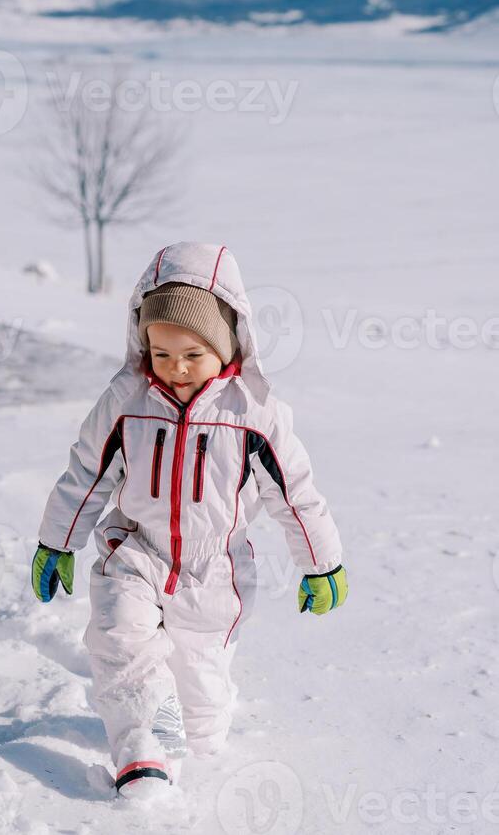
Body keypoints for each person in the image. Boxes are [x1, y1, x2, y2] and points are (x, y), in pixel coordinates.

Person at [32, 241, 348, 799]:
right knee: (118, 638)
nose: (175, 369)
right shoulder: (126, 400)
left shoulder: (251, 412)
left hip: (213, 572)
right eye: (161, 353)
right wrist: (56, 541)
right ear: (143, 344)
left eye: (192, 354)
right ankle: (142, 756)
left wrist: (322, 563)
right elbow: (86, 470)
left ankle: (189, 721)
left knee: (202, 723)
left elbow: (295, 493)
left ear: (226, 346)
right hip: (134, 549)